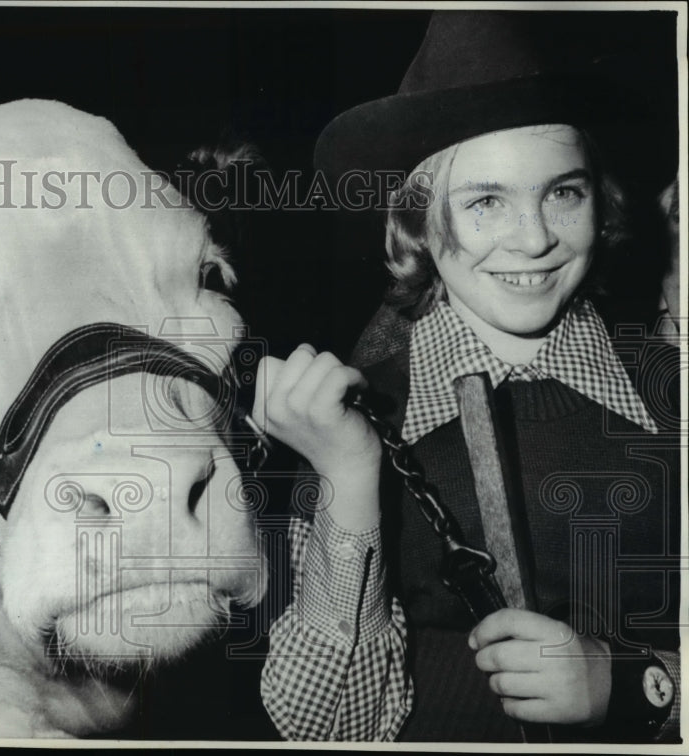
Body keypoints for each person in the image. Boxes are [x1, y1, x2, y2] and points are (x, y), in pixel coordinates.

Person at [260, 11, 680, 743]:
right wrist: (349, 475)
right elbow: (329, 728)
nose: (535, 237)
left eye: (563, 192)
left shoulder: (671, 392)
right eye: (487, 201)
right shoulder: (350, 422)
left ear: (599, 200)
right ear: (415, 226)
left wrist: (638, 682)